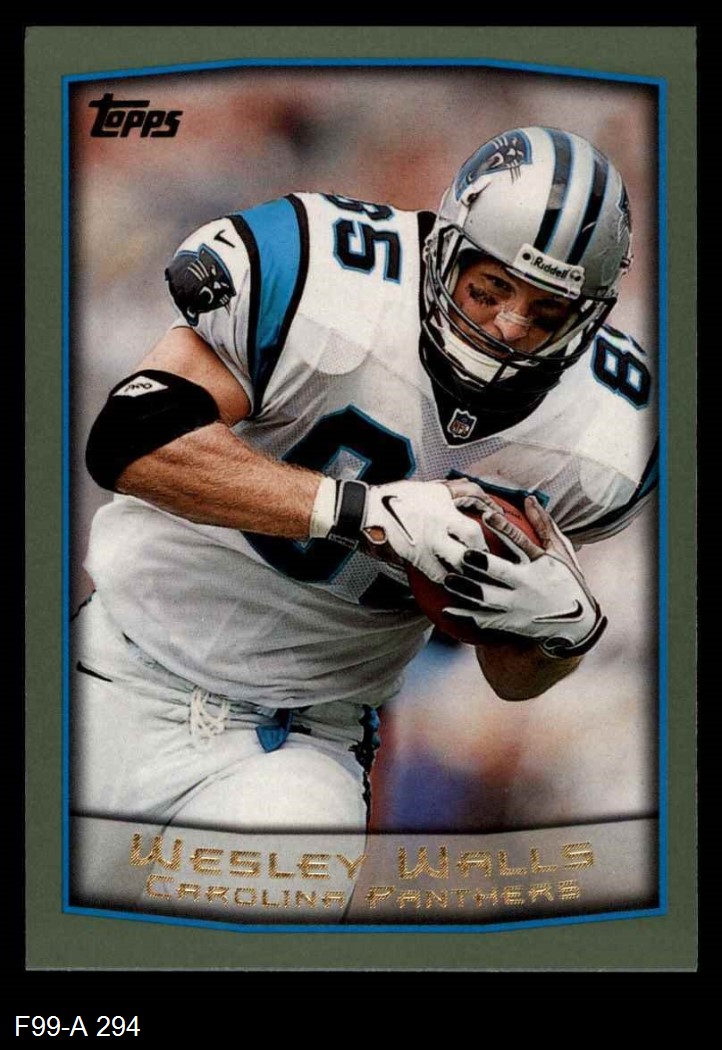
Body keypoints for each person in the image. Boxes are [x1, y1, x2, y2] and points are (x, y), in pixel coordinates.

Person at [72, 126, 657, 836]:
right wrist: (359, 512)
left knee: (278, 886)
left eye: (547, 312)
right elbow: (130, 441)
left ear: (590, 315)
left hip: (302, 739)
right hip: (122, 668)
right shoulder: (322, 269)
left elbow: (510, 678)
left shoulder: (604, 428)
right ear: (447, 247)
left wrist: (559, 636)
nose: (509, 325)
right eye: (490, 288)